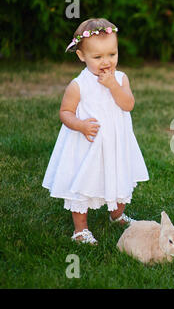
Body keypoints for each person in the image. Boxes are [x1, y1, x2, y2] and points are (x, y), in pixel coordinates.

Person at [42, 18, 149, 244]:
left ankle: (117, 214)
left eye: (112, 54)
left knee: (120, 176)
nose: (106, 62)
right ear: (82, 56)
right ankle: (80, 229)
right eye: (97, 57)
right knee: (84, 185)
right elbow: (65, 112)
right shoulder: (78, 85)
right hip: (88, 145)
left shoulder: (120, 78)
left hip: (116, 143)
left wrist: (113, 86)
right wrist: (80, 125)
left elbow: (128, 104)